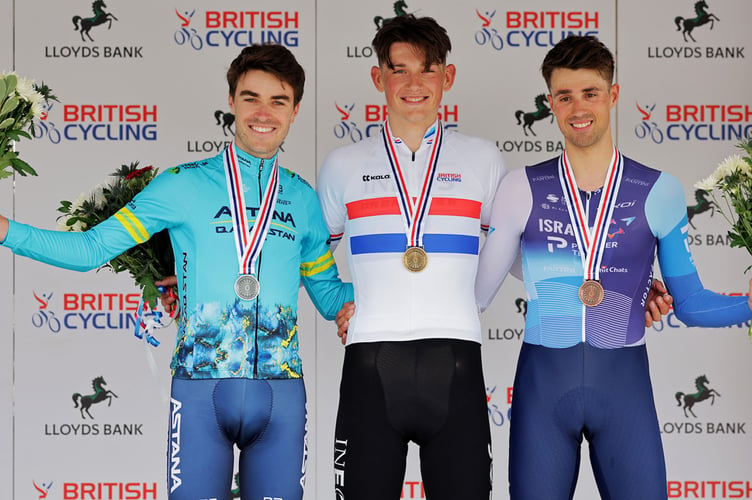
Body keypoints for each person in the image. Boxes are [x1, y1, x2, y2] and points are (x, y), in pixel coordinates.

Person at [0, 44, 353, 500]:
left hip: (282, 395)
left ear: (295, 110)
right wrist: (6, 230)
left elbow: (328, 297)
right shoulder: (182, 183)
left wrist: (407, 288)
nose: (263, 113)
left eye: (278, 101)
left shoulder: (303, 199)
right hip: (199, 392)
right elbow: (91, 248)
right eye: (250, 97)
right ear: (231, 102)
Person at [474, 34, 752, 499]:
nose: (578, 108)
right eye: (565, 96)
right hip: (543, 391)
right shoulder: (520, 186)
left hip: (624, 389)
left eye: (591, 93)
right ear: (550, 104)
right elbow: (478, 293)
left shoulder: (659, 189)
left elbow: (693, 305)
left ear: (613, 95)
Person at [316, 15, 504, 500]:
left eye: (428, 69)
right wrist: (338, 301)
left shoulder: (483, 160)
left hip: (457, 361)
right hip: (369, 363)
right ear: (379, 78)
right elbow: (304, 256)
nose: (414, 84)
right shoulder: (343, 165)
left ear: (448, 76)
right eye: (399, 70)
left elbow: (519, 255)